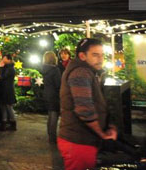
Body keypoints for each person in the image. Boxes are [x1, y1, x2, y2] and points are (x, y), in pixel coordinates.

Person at [58, 38, 117, 170]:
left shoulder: (88, 71)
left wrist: (109, 126)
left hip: (82, 140)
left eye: (102, 55)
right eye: (95, 55)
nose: (100, 59)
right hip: (78, 141)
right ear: (82, 56)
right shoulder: (80, 73)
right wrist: (103, 134)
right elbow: (84, 110)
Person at [41, 51, 61, 144]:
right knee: (54, 115)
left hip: (47, 93)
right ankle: (52, 138)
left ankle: (50, 134)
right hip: (54, 95)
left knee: (50, 115)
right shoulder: (55, 70)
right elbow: (58, 84)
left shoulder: (45, 69)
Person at [0, 54, 17, 131]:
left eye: (4, 58)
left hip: (7, 90)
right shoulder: (8, 67)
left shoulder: (9, 68)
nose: (3, 59)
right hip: (5, 89)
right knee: (3, 106)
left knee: (8, 107)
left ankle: (13, 124)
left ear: (9, 59)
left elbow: (3, 77)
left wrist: (1, 67)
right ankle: (4, 124)